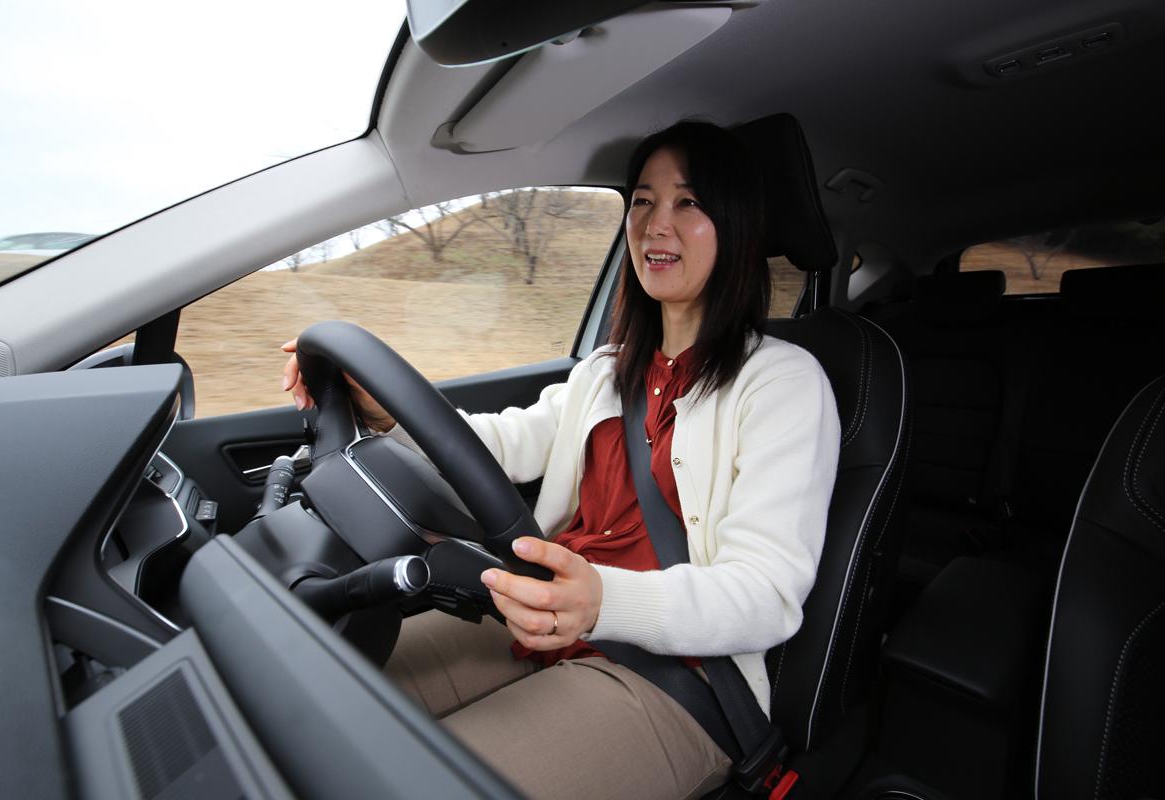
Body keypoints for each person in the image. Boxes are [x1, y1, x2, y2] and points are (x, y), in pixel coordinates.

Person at [280, 120, 840, 799]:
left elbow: (766, 593)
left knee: (408, 782)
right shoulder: (605, 372)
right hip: (540, 617)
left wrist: (603, 602)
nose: (655, 224)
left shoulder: (781, 381)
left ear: (737, 226)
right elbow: (498, 445)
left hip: (681, 678)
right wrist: (385, 411)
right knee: (316, 699)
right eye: (641, 201)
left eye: (688, 203)